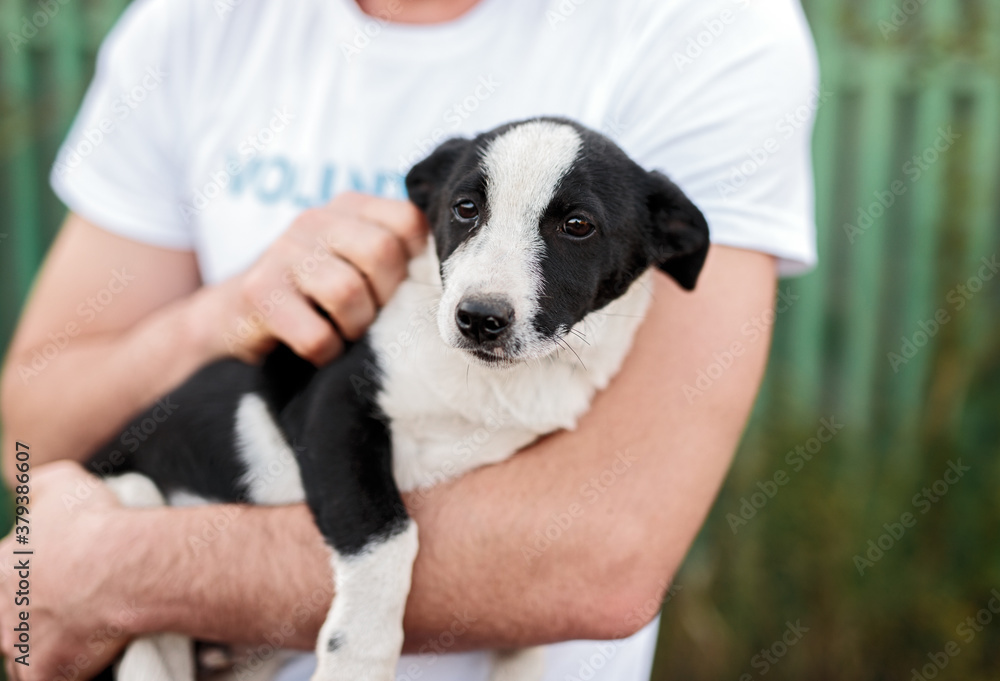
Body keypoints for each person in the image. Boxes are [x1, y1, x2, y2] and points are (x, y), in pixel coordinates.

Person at [0, 0, 818, 679]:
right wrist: (225, 318)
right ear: (434, 202)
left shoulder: (706, 26)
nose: (487, 293)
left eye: (573, 225)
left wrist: (126, 570)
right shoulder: (191, 23)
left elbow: (603, 557)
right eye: (466, 211)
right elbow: (26, 442)